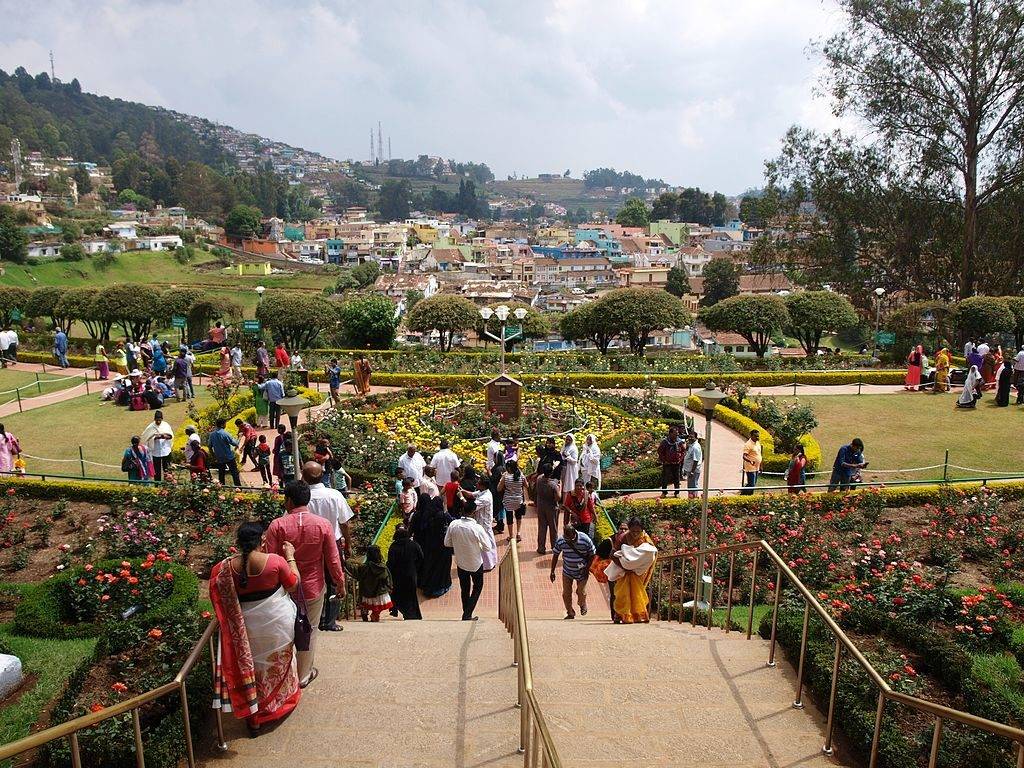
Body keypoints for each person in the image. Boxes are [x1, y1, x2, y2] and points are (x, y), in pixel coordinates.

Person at [210, 523, 301, 732]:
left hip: (245, 630)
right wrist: (291, 556)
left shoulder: (223, 568)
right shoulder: (275, 562)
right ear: (262, 540)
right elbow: (294, 584)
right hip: (277, 625)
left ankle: (254, 713)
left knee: (254, 667)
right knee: (279, 664)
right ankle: (279, 705)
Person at [265, 480, 346, 687]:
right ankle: (303, 675)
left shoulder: (277, 525)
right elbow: (333, 559)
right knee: (309, 629)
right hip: (313, 587)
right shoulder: (322, 525)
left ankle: (285, 671)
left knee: (284, 629)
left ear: (289, 500)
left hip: (284, 588)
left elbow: (271, 558)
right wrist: (340, 582)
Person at [304, 461, 353, 631]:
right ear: (322, 475)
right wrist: (348, 544)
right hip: (334, 543)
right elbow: (345, 523)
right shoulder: (334, 495)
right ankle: (330, 621)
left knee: (312, 580)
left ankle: (313, 619)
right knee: (334, 581)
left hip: (309, 546)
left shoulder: (302, 497)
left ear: (303, 476)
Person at [444, 499, 493, 621]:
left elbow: (447, 543)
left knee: (464, 589)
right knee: (478, 586)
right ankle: (467, 613)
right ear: (473, 512)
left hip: (461, 563)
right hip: (476, 563)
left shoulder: (453, 524)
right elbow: (487, 547)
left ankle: (467, 613)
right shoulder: (477, 528)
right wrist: (477, 546)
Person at [609, 517, 658, 624]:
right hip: (624, 572)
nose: (635, 534)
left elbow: (651, 555)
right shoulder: (623, 538)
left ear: (642, 530)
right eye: (633, 531)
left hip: (638, 573)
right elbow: (613, 555)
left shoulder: (645, 539)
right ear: (629, 529)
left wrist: (636, 567)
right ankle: (621, 615)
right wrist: (625, 567)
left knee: (638, 593)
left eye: (638, 531)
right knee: (623, 594)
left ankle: (639, 615)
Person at [410, 493, 453, 598]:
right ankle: (441, 586)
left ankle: (422, 583)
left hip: (425, 545)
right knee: (440, 567)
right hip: (441, 546)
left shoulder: (421, 516)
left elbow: (412, 530)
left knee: (427, 566)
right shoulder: (442, 516)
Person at [550, 524, 596, 620]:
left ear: (574, 533)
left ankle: (582, 604)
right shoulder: (561, 541)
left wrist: (587, 569)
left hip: (582, 571)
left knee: (581, 591)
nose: (569, 541)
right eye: (567, 539)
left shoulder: (585, 539)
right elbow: (555, 555)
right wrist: (552, 571)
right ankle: (570, 612)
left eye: (571, 539)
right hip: (567, 571)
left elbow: (592, 554)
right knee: (566, 593)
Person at [344, 545, 393, 622]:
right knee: (378, 605)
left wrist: (347, 562)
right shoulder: (382, 568)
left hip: (366, 591)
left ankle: (366, 615)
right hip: (379, 591)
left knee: (365, 604)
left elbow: (356, 572)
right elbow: (388, 580)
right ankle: (375, 614)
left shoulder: (364, 567)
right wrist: (389, 588)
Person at [462, 475, 498, 571]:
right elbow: (471, 494)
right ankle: (490, 562)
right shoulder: (482, 492)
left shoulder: (485, 497)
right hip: (482, 522)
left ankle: (488, 565)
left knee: (484, 543)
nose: (476, 483)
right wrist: (462, 490)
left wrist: (461, 497)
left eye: (478, 482)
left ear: (482, 486)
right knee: (488, 542)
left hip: (484, 523)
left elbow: (470, 508)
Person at [387, 525, 423, 620]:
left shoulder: (393, 547)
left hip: (397, 576)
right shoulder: (414, 545)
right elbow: (421, 558)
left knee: (398, 595)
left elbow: (390, 563)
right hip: (411, 574)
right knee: (411, 596)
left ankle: (405, 613)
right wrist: (416, 568)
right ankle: (413, 614)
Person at [497, 459, 526, 543]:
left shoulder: (505, 477)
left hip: (508, 500)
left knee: (509, 518)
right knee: (518, 516)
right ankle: (518, 533)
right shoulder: (521, 476)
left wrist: (502, 478)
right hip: (518, 500)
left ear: (509, 468)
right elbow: (526, 485)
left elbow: (498, 489)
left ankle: (511, 536)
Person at [140, 410, 174, 482]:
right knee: (157, 470)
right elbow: (145, 437)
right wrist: (155, 437)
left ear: (162, 419)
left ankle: (168, 483)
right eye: (157, 420)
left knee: (167, 468)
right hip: (156, 451)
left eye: (159, 420)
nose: (158, 422)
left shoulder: (166, 425)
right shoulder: (151, 427)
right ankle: (157, 484)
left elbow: (171, 436)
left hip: (166, 450)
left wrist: (163, 436)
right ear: (154, 419)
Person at [208, 418, 242, 486]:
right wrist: (239, 437)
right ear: (222, 425)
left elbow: (209, 446)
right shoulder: (225, 433)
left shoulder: (212, 434)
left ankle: (221, 487)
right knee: (234, 473)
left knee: (221, 474)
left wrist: (213, 455)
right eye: (225, 423)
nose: (225, 425)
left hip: (219, 458)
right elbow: (234, 443)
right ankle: (238, 488)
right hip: (229, 457)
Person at [534, 468, 560, 555]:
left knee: (542, 527)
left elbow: (541, 476)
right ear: (551, 473)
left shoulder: (539, 480)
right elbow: (558, 498)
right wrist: (559, 486)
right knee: (553, 528)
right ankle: (554, 547)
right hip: (551, 508)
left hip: (541, 507)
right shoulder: (553, 485)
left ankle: (541, 548)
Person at [657, 426, 684, 497]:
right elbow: (660, 451)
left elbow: (683, 451)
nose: (677, 435)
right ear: (670, 434)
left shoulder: (679, 441)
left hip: (676, 464)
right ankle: (664, 492)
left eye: (677, 434)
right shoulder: (665, 442)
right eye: (675, 434)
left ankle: (677, 492)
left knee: (676, 478)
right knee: (665, 478)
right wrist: (664, 460)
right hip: (667, 464)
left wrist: (680, 459)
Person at [741, 430, 762, 495]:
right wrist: (750, 461)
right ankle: (743, 494)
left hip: (757, 467)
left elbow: (760, 455)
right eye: (756, 436)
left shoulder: (758, 443)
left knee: (753, 485)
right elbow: (744, 456)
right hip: (750, 467)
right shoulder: (748, 444)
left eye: (758, 436)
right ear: (751, 436)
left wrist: (761, 466)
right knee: (751, 484)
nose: (757, 438)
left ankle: (749, 496)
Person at [682, 432, 703, 499]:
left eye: (692, 437)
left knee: (693, 486)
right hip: (690, 470)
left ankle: (693, 500)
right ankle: (692, 498)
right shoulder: (692, 445)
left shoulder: (695, 447)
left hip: (693, 470)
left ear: (696, 438)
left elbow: (696, 461)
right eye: (689, 437)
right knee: (691, 486)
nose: (690, 438)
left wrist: (692, 472)